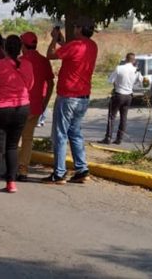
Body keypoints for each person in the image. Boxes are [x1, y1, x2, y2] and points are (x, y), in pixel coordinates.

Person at [43, 22, 98, 184]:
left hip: (68, 95)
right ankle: (82, 169)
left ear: (80, 28)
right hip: (83, 95)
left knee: (60, 134)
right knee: (75, 133)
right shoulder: (91, 46)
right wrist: (62, 41)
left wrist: (54, 39)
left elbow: (50, 54)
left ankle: (59, 173)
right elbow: (72, 52)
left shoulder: (74, 45)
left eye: (76, 26)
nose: (74, 29)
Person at [0, 35, 34, 196]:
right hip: (21, 108)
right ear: (20, 48)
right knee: (12, 146)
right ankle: (11, 183)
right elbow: (30, 85)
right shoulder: (27, 65)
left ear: (4, 48)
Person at [17, 32, 54, 181]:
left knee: (13, 139)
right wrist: (45, 102)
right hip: (36, 106)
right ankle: (23, 170)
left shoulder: (19, 61)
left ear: (22, 45)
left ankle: (12, 168)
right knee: (28, 139)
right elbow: (51, 83)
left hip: (19, 106)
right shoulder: (44, 61)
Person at [98, 53, 142, 145]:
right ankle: (119, 139)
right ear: (134, 60)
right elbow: (142, 81)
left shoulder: (119, 68)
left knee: (112, 117)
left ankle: (108, 137)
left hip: (119, 94)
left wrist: (116, 83)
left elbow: (110, 80)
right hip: (129, 95)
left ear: (126, 59)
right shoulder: (136, 70)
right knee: (123, 118)